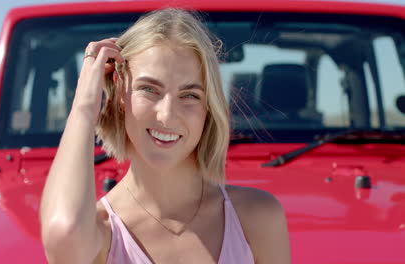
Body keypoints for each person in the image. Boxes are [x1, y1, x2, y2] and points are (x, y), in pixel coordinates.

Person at [39, 8, 291, 264]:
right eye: (149, 89)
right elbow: (65, 230)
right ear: (121, 93)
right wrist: (84, 105)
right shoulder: (101, 231)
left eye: (190, 95)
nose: (168, 115)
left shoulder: (257, 217)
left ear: (208, 108)